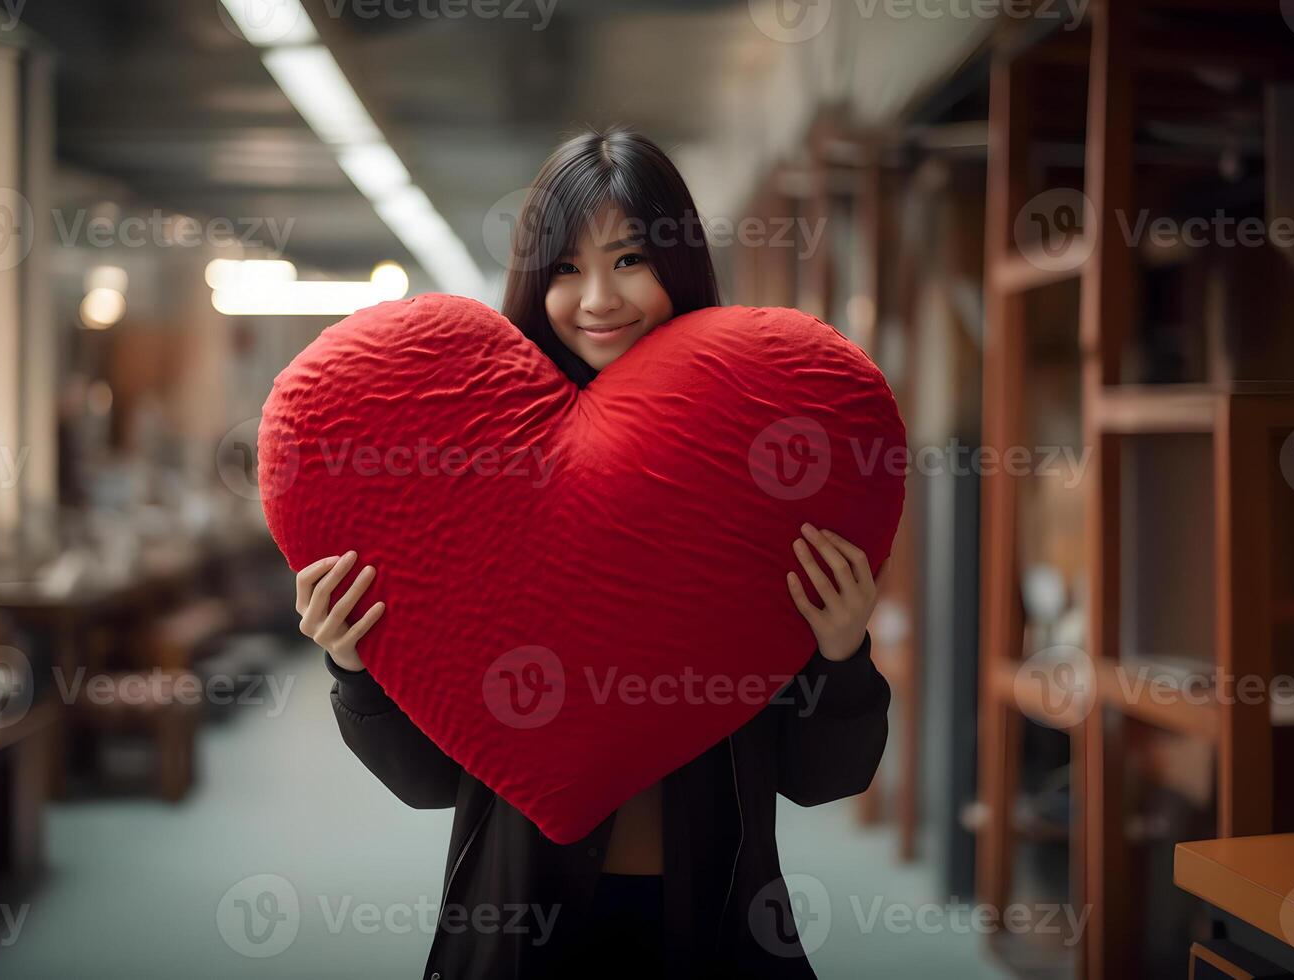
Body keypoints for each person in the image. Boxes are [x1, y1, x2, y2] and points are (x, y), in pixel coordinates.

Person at [298, 124, 892, 979]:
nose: (597, 300)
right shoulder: (476, 472)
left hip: (714, 922)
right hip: (517, 933)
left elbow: (822, 779)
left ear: (679, 268)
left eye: (628, 260)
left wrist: (841, 654)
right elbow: (431, 783)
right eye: (566, 269)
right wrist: (357, 667)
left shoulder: (749, 468)